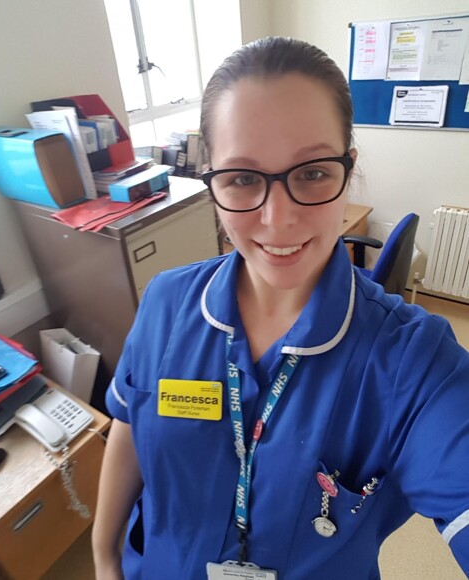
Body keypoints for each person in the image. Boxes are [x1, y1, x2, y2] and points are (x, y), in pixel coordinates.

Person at [92, 37, 469, 579]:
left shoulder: (414, 361)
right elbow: (129, 424)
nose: (277, 218)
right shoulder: (165, 305)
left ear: (348, 170)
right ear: (212, 182)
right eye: (243, 179)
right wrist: (105, 558)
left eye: (312, 172)